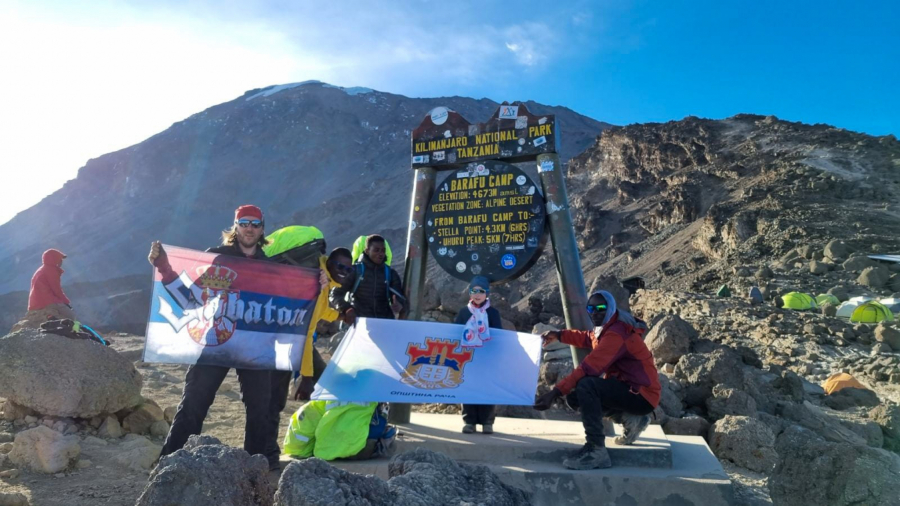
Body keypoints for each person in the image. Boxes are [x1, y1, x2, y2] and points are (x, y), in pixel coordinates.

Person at [151, 205, 276, 467]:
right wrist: (164, 267)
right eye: (244, 223)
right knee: (194, 403)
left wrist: (316, 283)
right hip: (217, 339)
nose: (249, 228)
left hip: (255, 346)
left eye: (255, 223)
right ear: (235, 227)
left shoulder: (272, 266)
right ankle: (170, 465)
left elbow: (290, 302)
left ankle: (254, 474)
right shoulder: (216, 258)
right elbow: (190, 301)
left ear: (262, 228)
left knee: (260, 412)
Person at [533, 290, 660, 470]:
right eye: (590, 308)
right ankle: (631, 418)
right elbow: (588, 338)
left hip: (642, 394)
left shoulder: (616, 334)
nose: (595, 312)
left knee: (587, 385)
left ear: (611, 308)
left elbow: (588, 368)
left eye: (600, 308)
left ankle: (596, 450)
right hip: (629, 389)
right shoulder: (607, 326)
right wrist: (559, 335)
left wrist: (555, 392)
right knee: (575, 398)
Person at [264, 246, 351, 467]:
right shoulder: (316, 284)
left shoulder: (322, 281)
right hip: (287, 342)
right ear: (329, 262)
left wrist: (339, 314)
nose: (343, 271)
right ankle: (269, 454)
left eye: (348, 269)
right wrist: (306, 376)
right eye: (340, 266)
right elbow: (306, 331)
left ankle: (277, 451)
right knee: (275, 399)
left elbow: (319, 311)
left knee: (277, 398)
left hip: (291, 340)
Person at [455, 275, 502, 434]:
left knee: (487, 388)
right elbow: (456, 331)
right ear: (469, 293)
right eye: (473, 291)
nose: (477, 294)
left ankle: (487, 422)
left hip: (487, 358)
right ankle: (469, 421)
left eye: (481, 291)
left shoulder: (493, 313)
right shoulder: (463, 312)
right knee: (468, 387)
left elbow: (498, 334)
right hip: (468, 357)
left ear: (486, 294)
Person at [330, 234, 405, 324]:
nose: (380, 254)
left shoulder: (390, 273)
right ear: (367, 251)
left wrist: (399, 304)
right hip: (360, 325)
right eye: (376, 250)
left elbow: (399, 296)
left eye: (383, 250)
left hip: (385, 324)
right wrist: (347, 309)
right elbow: (335, 294)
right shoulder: (355, 271)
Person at [12, 249, 76, 331]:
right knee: (71, 316)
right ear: (54, 259)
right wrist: (66, 302)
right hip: (47, 300)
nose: (61, 261)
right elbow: (57, 290)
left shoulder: (41, 269)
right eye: (59, 259)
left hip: (35, 303)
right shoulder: (51, 270)